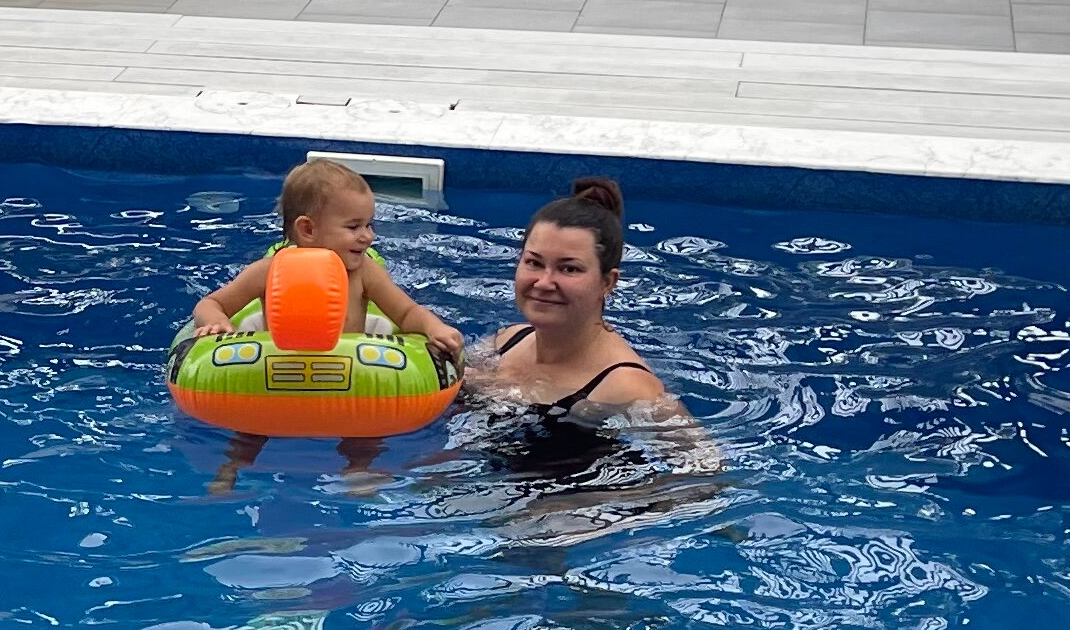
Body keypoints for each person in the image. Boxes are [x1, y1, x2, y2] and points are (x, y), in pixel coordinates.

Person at [458, 176, 721, 479]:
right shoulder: (503, 342)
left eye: (569, 268)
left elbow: (707, 476)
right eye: (534, 263)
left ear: (607, 282)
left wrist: (585, 502)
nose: (544, 282)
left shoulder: (628, 388)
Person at [188, 156, 468, 363]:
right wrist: (216, 323)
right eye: (354, 226)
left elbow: (406, 313)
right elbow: (211, 303)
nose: (368, 236)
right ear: (308, 230)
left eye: (369, 225)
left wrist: (434, 327)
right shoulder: (270, 271)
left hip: (354, 363)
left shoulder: (365, 272)